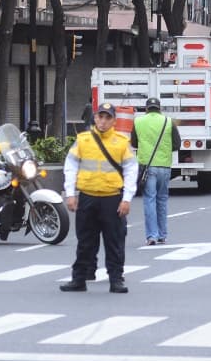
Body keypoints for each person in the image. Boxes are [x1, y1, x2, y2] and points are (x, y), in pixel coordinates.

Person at [60, 102, 138, 294]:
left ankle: (116, 280)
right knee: (85, 241)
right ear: (95, 118)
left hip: (112, 199)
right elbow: (70, 167)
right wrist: (70, 194)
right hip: (87, 197)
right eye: (100, 117)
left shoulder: (121, 142)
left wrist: (126, 199)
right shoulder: (83, 140)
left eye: (107, 117)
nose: (103, 121)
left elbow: (131, 170)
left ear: (114, 121)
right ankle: (79, 279)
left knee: (115, 242)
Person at [131, 97, 181, 245]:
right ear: (159, 108)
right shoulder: (168, 121)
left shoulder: (138, 122)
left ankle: (151, 236)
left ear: (146, 109)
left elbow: (133, 143)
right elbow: (177, 144)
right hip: (164, 166)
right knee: (162, 200)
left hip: (147, 166)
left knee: (149, 200)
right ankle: (162, 235)